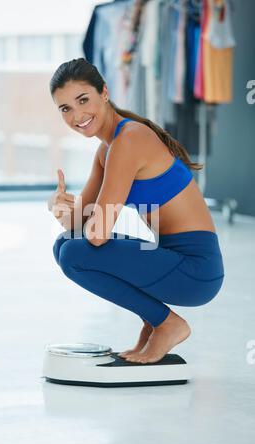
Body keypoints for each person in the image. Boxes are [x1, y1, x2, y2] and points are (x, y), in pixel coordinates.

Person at [48, 57, 225, 364]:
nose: (77, 115)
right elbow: (77, 228)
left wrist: (82, 221)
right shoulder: (108, 149)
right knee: (64, 245)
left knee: (74, 253)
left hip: (196, 270)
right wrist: (60, 209)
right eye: (66, 108)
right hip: (170, 258)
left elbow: (98, 234)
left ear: (104, 92)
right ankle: (154, 321)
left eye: (82, 100)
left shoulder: (130, 139)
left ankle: (167, 324)